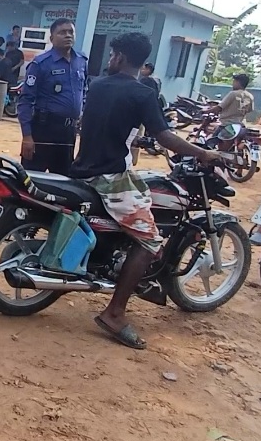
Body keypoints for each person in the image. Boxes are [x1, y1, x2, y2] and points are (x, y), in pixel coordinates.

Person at [70, 33, 220, 349]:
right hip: (111, 178)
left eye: (113, 54)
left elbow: (104, 124)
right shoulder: (143, 93)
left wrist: (134, 139)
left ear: (122, 57)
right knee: (151, 240)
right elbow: (166, 137)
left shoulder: (98, 84)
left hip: (83, 169)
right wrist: (203, 153)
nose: (110, 59)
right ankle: (114, 313)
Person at [16, 18, 88, 175]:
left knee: (64, 178)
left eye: (71, 32)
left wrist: (82, 113)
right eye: (62, 32)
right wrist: (27, 136)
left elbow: (84, 91)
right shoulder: (41, 64)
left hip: (68, 131)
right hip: (44, 129)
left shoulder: (81, 61)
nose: (68, 35)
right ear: (52, 38)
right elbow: (25, 100)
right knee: (32, 177)